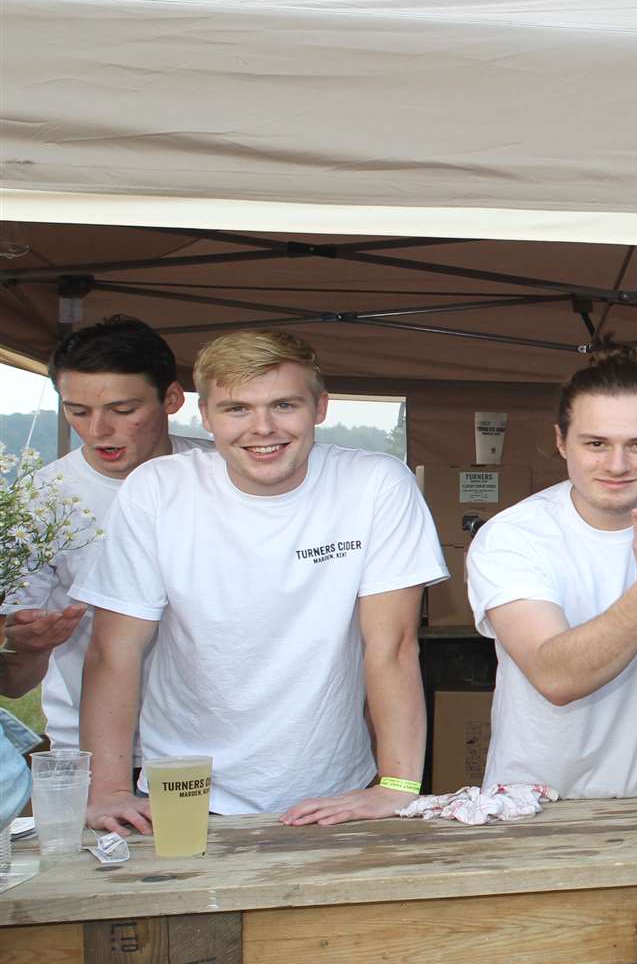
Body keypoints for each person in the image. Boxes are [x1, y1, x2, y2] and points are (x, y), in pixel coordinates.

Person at [73, 330, 447, 830]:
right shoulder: (158, 489)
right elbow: (113, 652)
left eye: (284, 405)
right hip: (183, 790)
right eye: (236, 409)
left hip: (333, 792)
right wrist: (110, 791)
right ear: (204, 416)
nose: (262, 428)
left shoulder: (375, 483)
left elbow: (393, 646)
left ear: (320, 407)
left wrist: (397, 786)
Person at [465, 346, 637, 797]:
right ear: (561, 441)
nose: (617, 465)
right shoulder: (512, 537)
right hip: (543, 800)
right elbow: (557, 677)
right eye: (596, 443)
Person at [1, 316, 211, 757]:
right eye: (77, 411)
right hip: (97, 752)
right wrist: (28, 648)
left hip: (227, 744)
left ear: (172, 398)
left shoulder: (225, 473)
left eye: (122, 410)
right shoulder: (39, 504)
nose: (98, 431)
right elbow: (13, 683)